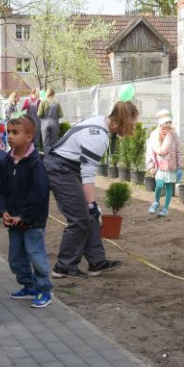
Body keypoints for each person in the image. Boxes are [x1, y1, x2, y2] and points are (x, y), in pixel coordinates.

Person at [46, 102, 137, 279]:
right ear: (120, 122)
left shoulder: (100, 121)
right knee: (80, 219)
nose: (131, 130)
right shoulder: (98, 137)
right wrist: (93, 204)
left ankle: (97, 262)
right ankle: (63, 267)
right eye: (130, 126)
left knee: (90, 216)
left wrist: (92, 207)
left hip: (68, 167)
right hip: (61, 169)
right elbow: (88, 175)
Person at [0, 114, 52, 307]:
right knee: (15, 258)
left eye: (15, 132)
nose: (9, 136)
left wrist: (24, 216)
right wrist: (3, 211)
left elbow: (39, 194)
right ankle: (29, 286)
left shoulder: (36, 164)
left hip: (32, 221)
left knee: (35, 255)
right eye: (8, 132)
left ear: (29, 136)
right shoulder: (5, 162)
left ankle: (44, 290)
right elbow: (0, 190)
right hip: (14, 221)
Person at [146, 110, 183, 218]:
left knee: (168, 187)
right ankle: (156, 202)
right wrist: (151, 166)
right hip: (159, 166)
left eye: (169, 124)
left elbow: (179, 151)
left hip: (170, 166)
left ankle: (165, 209)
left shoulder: (174, 136)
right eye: (165, 124)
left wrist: (180, 167)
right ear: (161, 124)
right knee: (159, 185)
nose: (167, 127)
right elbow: (149, 152)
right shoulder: (153, 136)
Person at [37, 87, 64, 155]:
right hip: (54, 124)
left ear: (46, 94)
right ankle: (53, 158)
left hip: (45, 124)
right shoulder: (57, 103)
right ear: (54, 94)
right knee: (54, 142)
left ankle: (47, 158)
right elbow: (61, 115)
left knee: (45, 142)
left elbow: (39, 114)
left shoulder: (43, 102)